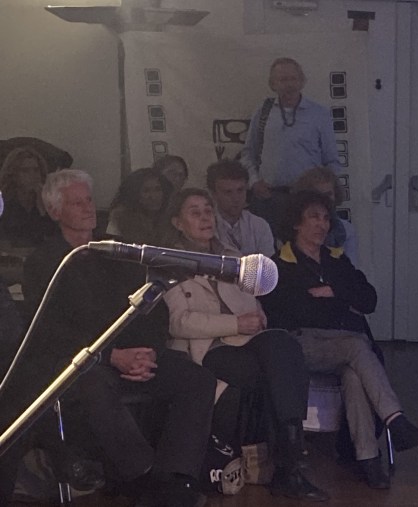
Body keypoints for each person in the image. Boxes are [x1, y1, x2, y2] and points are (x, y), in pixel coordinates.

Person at [21, 169, 216, 507]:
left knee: (196, 379)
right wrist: (112, 355)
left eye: (89, 200)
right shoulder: (43, 262)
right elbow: (49, 331)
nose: (88, 208)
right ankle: (143, 477)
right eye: (77, 203)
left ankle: (176, 477)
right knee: (93, 383)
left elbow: (152, 305)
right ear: (55, 211)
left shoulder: (115, 251)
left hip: (133, 353)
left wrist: (147, 352)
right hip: (83, 361)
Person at [162, 188, 327, 502]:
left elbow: (255, 303)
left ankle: (289, 464)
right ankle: (289, 466)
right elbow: (179, 322)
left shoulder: (233, 257)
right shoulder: (168, 262)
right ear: (177, 222)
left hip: (248, 341)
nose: (205, 217)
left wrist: (256, 319)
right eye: (195, 212)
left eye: (208, 210)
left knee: (284, 345)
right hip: (207, 348)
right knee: (276, 373)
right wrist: (235, 324)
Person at [260, 191, 418, 490]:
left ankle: (367, 458)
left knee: (353, 374)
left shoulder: (337, 260)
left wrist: (333, 292)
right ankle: (395, 420)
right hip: (302, 344)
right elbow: (289, 311)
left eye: (326, 218)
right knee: (357, 347)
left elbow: (369, 299)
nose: (321, 224)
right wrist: (340, 302)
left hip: (343, 345)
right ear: (297, 223)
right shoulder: (280, 264)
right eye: (313, 217)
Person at [240, 58, 342, 223]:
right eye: (283, 80)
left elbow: (332, 161)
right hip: (269, 198)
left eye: (293, 79)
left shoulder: (319, 114)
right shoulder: (263, 112)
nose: (289, 84)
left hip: (309, 199)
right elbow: (248, 153)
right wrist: (254, 182)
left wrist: (324, 195)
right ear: (273, 84)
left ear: (302, 81)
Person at [206, 159, 276, 257]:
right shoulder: (204, 225)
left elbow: (268, 264)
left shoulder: (260, 226)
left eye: (240, 190)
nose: (236, 198)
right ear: (213, 194)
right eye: (228, 192)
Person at [293, 166, 358, 265]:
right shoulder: (296, 226)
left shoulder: (347, 230)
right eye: (318, 194)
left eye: (328, 194)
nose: (324, 199)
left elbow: (352, 266)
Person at [0, 146, 56, 246]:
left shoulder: (50, 199)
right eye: (25, 171)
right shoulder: (4, 201)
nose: (33, 175)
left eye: (36, 170)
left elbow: (53, 235)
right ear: (14, 174)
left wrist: (43, 208)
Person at [105, 167, 173, 245]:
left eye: (158, 189)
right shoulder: (120, 220)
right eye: (146, 191)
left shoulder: (170, 219)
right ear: (135, 194)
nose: (153, 196)